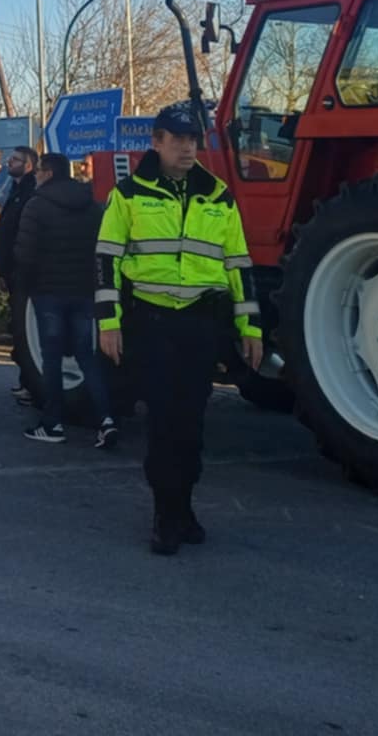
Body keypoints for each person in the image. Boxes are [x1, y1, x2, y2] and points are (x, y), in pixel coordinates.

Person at [96, 101, 262, 555]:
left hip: (200, 325)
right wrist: (108, 324)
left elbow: (239, 266)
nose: (188, 148)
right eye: (178, 139)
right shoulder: (128, 194)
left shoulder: (219, 195)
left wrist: (252, 329)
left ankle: (184, 507)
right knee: (164, 421)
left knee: (191, 423)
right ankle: (164, 515)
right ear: (157, 141)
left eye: (194, 139)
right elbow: (106, 261)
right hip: (152, 323)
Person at [14, 151, 115, 447]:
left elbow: (24, 253)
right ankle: (106, 420)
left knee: (52, 358)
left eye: (39, 171)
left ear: (47, 172)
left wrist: (26, 285)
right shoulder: (92, 206)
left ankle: (53, 423)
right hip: (85, 293)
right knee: (88, 357)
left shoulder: (37, 206)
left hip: (48, 294)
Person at [0, 147, 37, 393]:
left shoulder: (30, 192)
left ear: (29, 165)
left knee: (23, 331)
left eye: (16, 160)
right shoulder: (16, 190)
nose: (10, 162)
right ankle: (25, 382)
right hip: (10, 272)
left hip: (21, 273)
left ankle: (29, 384)